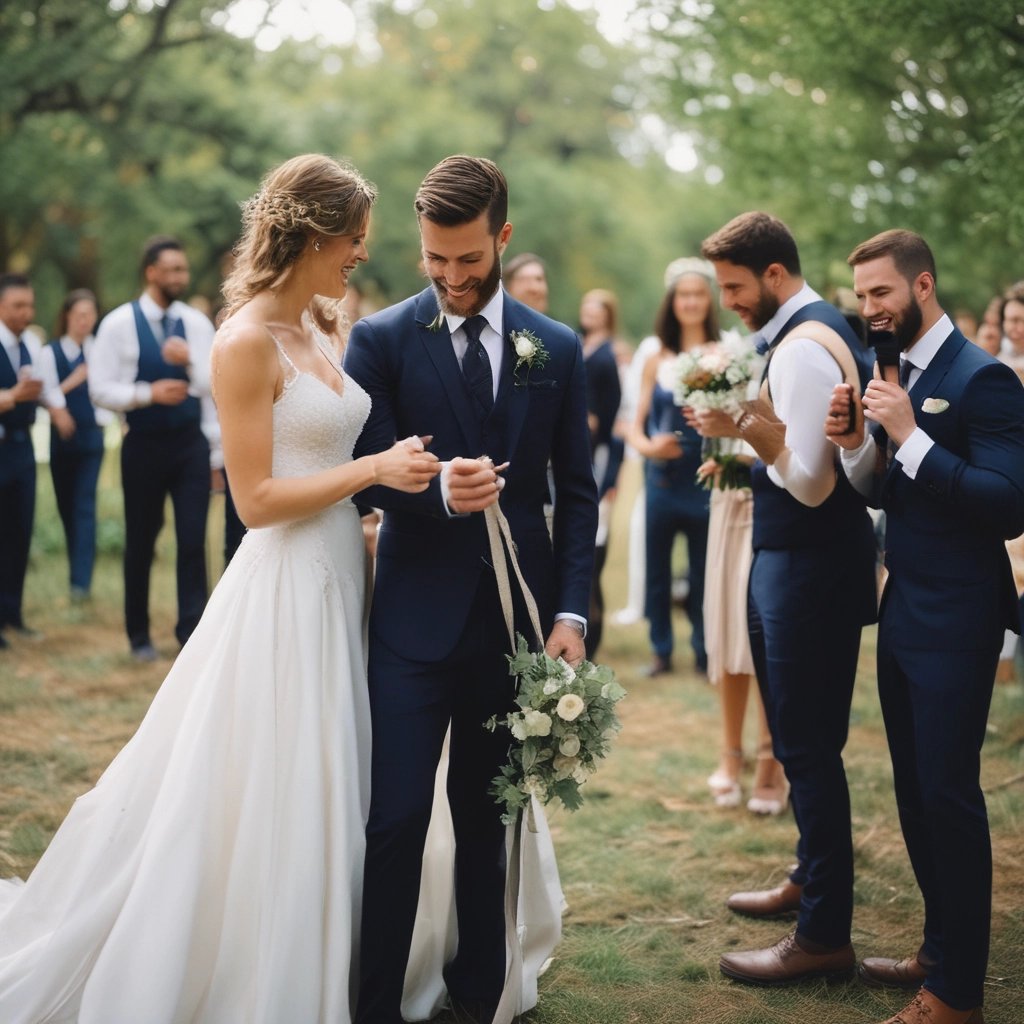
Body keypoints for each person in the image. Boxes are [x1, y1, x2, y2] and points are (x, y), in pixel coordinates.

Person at [0, 154, 444, 1023]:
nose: (360, 253)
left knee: (341, 763)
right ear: (313, 233)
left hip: (341, 574)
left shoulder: (321, 327)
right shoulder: (241, 342)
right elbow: (255, 500)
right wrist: (374, 473)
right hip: (283, 586)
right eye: (352, 238)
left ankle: (343, 944)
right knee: (271, 773)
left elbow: (319, 455)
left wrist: (378, 511)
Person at [345, 154, 597, 1024]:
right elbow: (364, 475)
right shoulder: (378, 340)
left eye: (470, 260)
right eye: (435, 260)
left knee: (488, 824)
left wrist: (571, 612)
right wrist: (434, 491)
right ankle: (373, 1005)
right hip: (411, 626)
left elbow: (579, 492)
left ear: (503, 237)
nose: (452, 278)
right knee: (395, 823)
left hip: (512, 630)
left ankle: (479, 997)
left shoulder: (556, 347)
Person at [825, 229, 1024, 1024]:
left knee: (948, 795)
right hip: (903, 607)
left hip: (962, 616)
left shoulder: (986, 380)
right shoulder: (894, 370)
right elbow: (888, 494)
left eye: (882, 294)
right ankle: (939, 947)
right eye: (862, 296)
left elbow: (1007, 503)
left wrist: (909, 435)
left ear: (924, 286)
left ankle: (958, 992)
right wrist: (854, 447)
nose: (870, 309)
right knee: (912, 792)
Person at [695, 213, 877, 986]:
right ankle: (810, 878)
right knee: (804, 744)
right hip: (798, 566)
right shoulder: (804, 332)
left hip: (808, 570)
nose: (729, 302)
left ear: (774, 275)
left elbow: (809, 481)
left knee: (805, 749)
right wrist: (743, 444)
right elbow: (791, 456)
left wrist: (756, 439)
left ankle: (823, 933)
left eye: (736, 287)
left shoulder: (804, 346)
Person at [89, 236, 216, 660]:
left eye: (184, 269)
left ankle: (191, 633)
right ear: (151, 272)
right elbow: (100, 389)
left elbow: (218, 384)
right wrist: (147, 394)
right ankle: (139, 636)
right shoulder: (117, 324)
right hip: (142, 445)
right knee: (142, 540)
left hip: (190, 446)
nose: (182, 276)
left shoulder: (198, 325)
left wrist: (192, 364)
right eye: (174, 269)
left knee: (193, 539)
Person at [624, 258, 713, 677]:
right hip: (661, 476)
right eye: (684, 295)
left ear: (708, 300)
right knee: (656, 568)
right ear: (672, 301)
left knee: (702, 569)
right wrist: (648, 448)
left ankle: (702, 649)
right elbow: (632, 424)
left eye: (698, 294)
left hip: (705, 474)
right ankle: (661, 649)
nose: (691, 302)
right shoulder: (654, 354)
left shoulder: (722, 352)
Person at [36, 289, 112, 602]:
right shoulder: (50, 353)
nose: (85, 321)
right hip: (62, 441)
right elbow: (44, 393)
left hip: (92, 437)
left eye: (90, 315)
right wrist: (72, 385)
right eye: (79, 315)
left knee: (83, 506)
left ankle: (82, 584)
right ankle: (72, 576)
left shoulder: (100, 351)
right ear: (67, 316)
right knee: (66, 506)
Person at [0, 272, 44, 649]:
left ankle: (13, 613)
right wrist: (13, 395)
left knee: (19, 533)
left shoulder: (30, 344)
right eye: (18, 306)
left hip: (23, 449)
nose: (25, 312)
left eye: (29, 305)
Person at [579, 287, 623, 659]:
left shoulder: (608, 355)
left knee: (594, 552)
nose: (588, 312)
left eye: (596, 307)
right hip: (580, 448)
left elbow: (612, 414)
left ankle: (592, 637)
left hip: (600, 453)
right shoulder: (578, 344)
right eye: (586, 306)